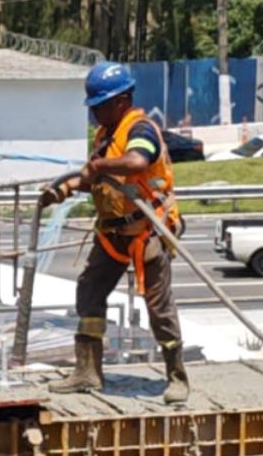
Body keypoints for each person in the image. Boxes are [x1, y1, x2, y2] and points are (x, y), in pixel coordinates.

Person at [40, 61, 187, 404]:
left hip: (147, 231)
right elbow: (95, 179)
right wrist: (63, 190)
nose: (94, 114)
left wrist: (98, 165)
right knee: (90, 290)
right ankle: (87, 371)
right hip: (112, 233)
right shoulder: (106, 135)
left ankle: (177, 377)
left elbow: (136, 163)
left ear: (121, 101)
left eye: (100, 106)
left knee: (158, 306)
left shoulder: (141, 129)